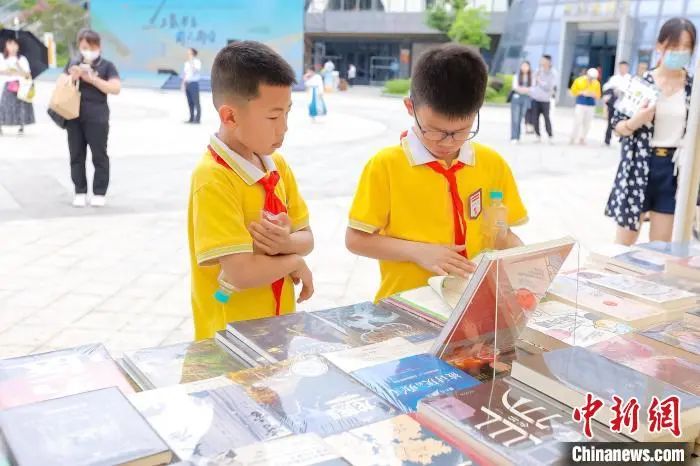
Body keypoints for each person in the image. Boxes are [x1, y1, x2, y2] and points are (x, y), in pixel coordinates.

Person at [345, 43, 528, 303]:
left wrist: (529, 265)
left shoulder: (491, 163)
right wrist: (420, 252)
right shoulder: (386, 166)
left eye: (461, 131)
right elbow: (356, 240)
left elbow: (503, 235)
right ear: (410, 108)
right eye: (435, 130)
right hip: (405, 305)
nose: (448, 142)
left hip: (473, 304)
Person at [188, 41, 315, 340]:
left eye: (287, 113)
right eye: (273, 117)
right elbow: (239, 273)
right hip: (229, 336)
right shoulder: (213, 178)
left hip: (277, 327)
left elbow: (307, 238)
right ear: (230, 117)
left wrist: (286, 241)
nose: (283, 128)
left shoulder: (277, 167)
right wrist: (294, 260)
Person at [606, 18, 696, 245]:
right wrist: (636, 121)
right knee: (623, 246)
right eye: (674, 47)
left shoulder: (693, 88)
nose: (681, 52)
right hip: (639, 164)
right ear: (660, 46)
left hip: (673, 169)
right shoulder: (641, 83)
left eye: (687, 47)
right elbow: (617, 126)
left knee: (660, 247)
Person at [64, 29, 121, 208]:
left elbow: (115, 88)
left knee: (99, 155)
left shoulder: (107, 66)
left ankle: (99, 191)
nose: (87, 50)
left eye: (91, 46)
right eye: (83, 47)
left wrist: (92, 79)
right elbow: (61, 84)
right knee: (76, 154)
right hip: (74, 115)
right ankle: (80, 191)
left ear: (98, 46)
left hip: (97, 116)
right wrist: (72, 77)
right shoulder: (73, 62)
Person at [0, 37, 34, 135]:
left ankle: (21, 126)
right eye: (10, 44)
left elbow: (28, 74)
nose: (13, 47)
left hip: (21, 85)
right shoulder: (2, 57)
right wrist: (7, 71)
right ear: (6, 46)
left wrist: (18, 68)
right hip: (8, 84)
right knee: (5, 106)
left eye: (15, 44)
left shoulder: (22, 59)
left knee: (20, 106)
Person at [569, 68, 601, 145]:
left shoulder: (596, 83)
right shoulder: (579, 80)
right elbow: (572, 92)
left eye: (593, 78)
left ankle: (582, 138)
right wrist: (581, 92)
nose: (591, 79)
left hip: (591, 105)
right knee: (577, 121)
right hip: (581, 103)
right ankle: (573, 137)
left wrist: (593, 94)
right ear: (587, 75)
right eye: (590, 77)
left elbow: (598, 95)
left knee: (587, 123)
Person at [529, 55, 557, 144]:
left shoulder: (553, 73)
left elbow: (549, 87)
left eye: (543, 60)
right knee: (535, 118)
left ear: (548, 62)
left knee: (546, 118)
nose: (541, 62)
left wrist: (539, 81)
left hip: (545, 100)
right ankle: (538, 135)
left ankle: (550, 136)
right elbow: (533, 83)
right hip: (535, 98)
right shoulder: (538, 71)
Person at [602, 61, 631, 146]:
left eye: (624, 67)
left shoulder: (630, 79)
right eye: (621, 67)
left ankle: (623, 140)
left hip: (625, 105)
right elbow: (606, 89)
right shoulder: (614, 79)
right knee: (610, 122)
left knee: (625, 122)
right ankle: (607, 140)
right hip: (613, 104)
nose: (623, 69)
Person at [510, 60, 532, 143]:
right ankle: (513, 137)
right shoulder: (517, 76)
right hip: (516, 98)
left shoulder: (531, 77)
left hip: (526, 99)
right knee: (515, 118)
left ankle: (518, 136)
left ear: (529, 67)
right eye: (523, 66)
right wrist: (525, 90)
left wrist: (523, 89)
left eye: (526, 66)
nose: (525, 68)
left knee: (520, 118)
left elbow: (532, 88)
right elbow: (515, 87)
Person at [182, 47, 202, 124]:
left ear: (193, 53)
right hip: (187, 83)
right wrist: (183, 84)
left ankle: (197, 119)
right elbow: (185, 74)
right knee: (190, 102)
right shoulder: (186, 63)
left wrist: (191, 61)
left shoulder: (197, 62)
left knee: (196, 101)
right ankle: (191, 118)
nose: (188, 52)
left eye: (189, 51)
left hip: (194, 83)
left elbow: (195, 70)